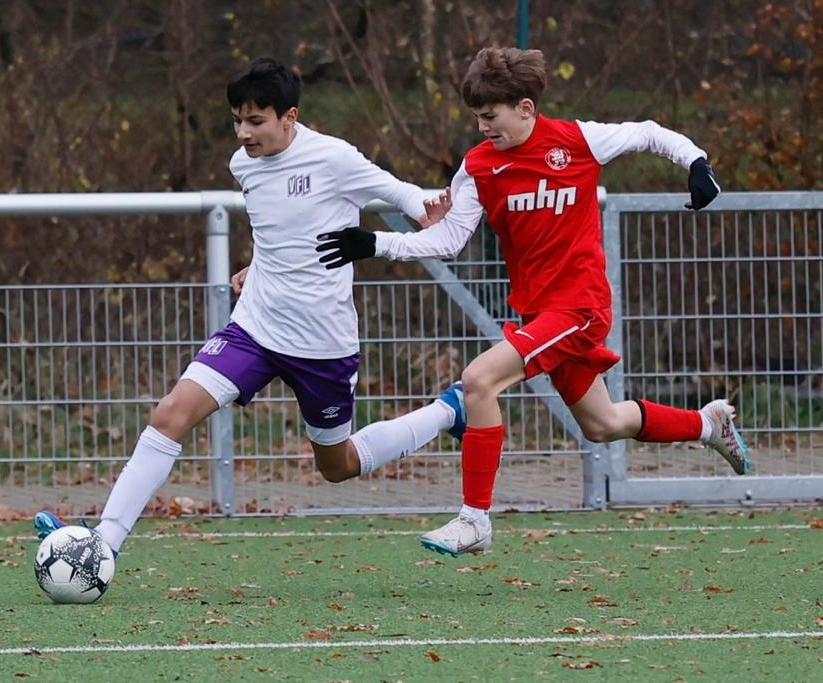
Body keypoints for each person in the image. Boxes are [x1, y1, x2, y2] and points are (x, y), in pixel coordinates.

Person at [315, 46, 750, 558]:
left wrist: (695, 161)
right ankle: (708, 424)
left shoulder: (577, 141)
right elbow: (449, 239)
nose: (482, 127)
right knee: (604, 424)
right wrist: (376, 243)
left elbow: (649, 132)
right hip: (540, 314)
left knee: (479, 380)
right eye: (477, 117)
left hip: (580, 308)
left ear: (525, 108)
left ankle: (474, 520)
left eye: (490, 116)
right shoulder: (479, 167)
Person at [34, 57, 461, 557]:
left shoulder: (334, 158)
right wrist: (256, 266)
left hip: (322, 344)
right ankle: (103, 543)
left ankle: (446, 411)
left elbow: (407, 197)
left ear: (290, 117)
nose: (243, 133)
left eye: (256, 121)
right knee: (171, 413)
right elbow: (277, 227)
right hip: (254, 330)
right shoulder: (243, 164)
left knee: (338, 465)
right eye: (237, 120)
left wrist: (431, 212)